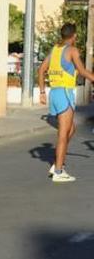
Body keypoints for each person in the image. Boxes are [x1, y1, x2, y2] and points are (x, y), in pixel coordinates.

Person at [37, 23, 94, 182]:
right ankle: (59, 171)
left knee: (71, 128)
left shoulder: (55, 50)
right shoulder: (72, 51)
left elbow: (41, 70)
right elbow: (82, 71)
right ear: (74, 36)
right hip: (65, 93)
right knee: (63, 134)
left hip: (54, 92)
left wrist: (42, 92)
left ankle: (57, 162)